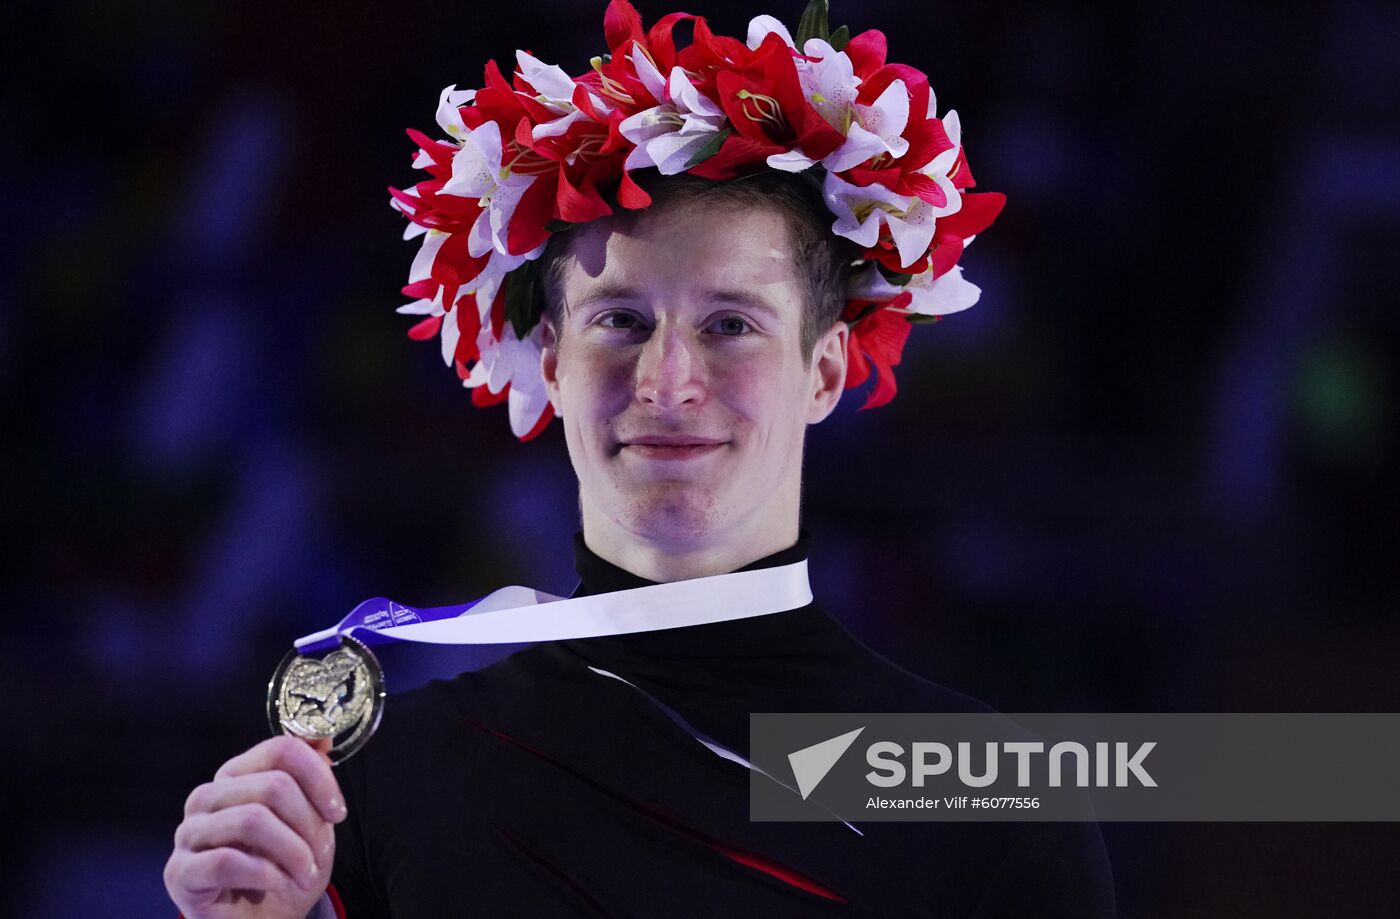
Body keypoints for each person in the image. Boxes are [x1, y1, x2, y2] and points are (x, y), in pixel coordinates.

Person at [166, 3, 1116, 916]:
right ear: (549, 364)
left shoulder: (993, 804)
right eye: (621, 321)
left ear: (823, 370)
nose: (666, 382)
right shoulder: (379, 783)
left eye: (731, 325)